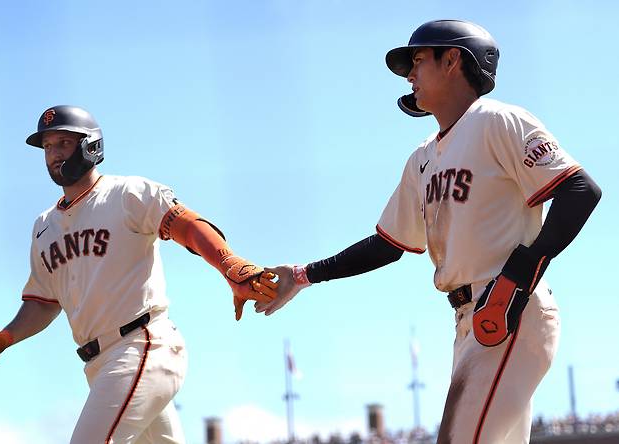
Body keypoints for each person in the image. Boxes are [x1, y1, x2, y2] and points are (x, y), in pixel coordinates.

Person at [256, 20, 601, 443]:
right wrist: (304, 274)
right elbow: (387, 244)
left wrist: (520, 274)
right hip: (468, 322)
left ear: (453, 59)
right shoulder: (423, 157)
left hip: (509, 309)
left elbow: (580, 189)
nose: (410, 75)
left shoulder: (498, 120)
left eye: (418, 60)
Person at [0, 105, 277, 444]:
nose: (54, 153)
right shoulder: (44, 226)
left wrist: (229, 263)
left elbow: (186, 225)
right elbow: (44, 301)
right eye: (47, 146)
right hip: (100, 366)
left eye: (63, 142)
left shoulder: (126, 194)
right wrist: (7, 337)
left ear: (91, 146)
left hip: (141, 344)